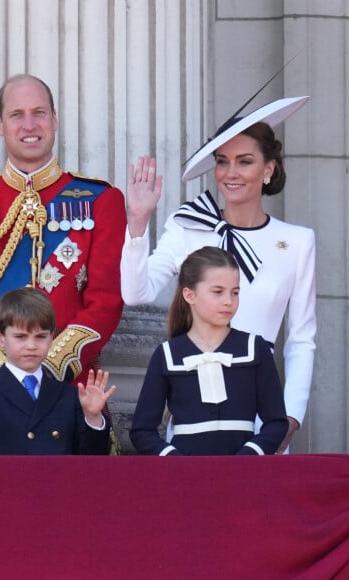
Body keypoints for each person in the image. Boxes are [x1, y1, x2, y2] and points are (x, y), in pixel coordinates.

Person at [121, 96, 315, 453]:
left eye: (245, 162)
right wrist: (138, 223)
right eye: (222, 162)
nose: (231, 173)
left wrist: (290, 417)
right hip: (194, 411)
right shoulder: (187, 226)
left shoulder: (298, 242)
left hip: (262, 413)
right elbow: (136, 293)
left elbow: (301, 339)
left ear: (269, 168)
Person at [0, 74, 127, 421]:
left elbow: (106, 301)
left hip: (70, 387)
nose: (29, 124)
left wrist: (49, 366)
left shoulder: (101, 201)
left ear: (54, 120)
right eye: (16, 114)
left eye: (39, 112)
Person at [130, 247, 288, 456]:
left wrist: (248, 457)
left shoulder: (254, 348)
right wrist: (174, 460)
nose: (228, 301)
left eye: (235, 292)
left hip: (244, 478)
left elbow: (276, 422)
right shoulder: (167, 354)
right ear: (189, 295)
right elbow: (142, 431)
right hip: (186, 479)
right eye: (218, 292)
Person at [0, 287, 116, 455]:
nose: (31, 346)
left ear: (51, 338)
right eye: (20, 337)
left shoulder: (69, 395)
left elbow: (92, 463)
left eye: (40, 337)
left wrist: (93, 418)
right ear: (0, 338)